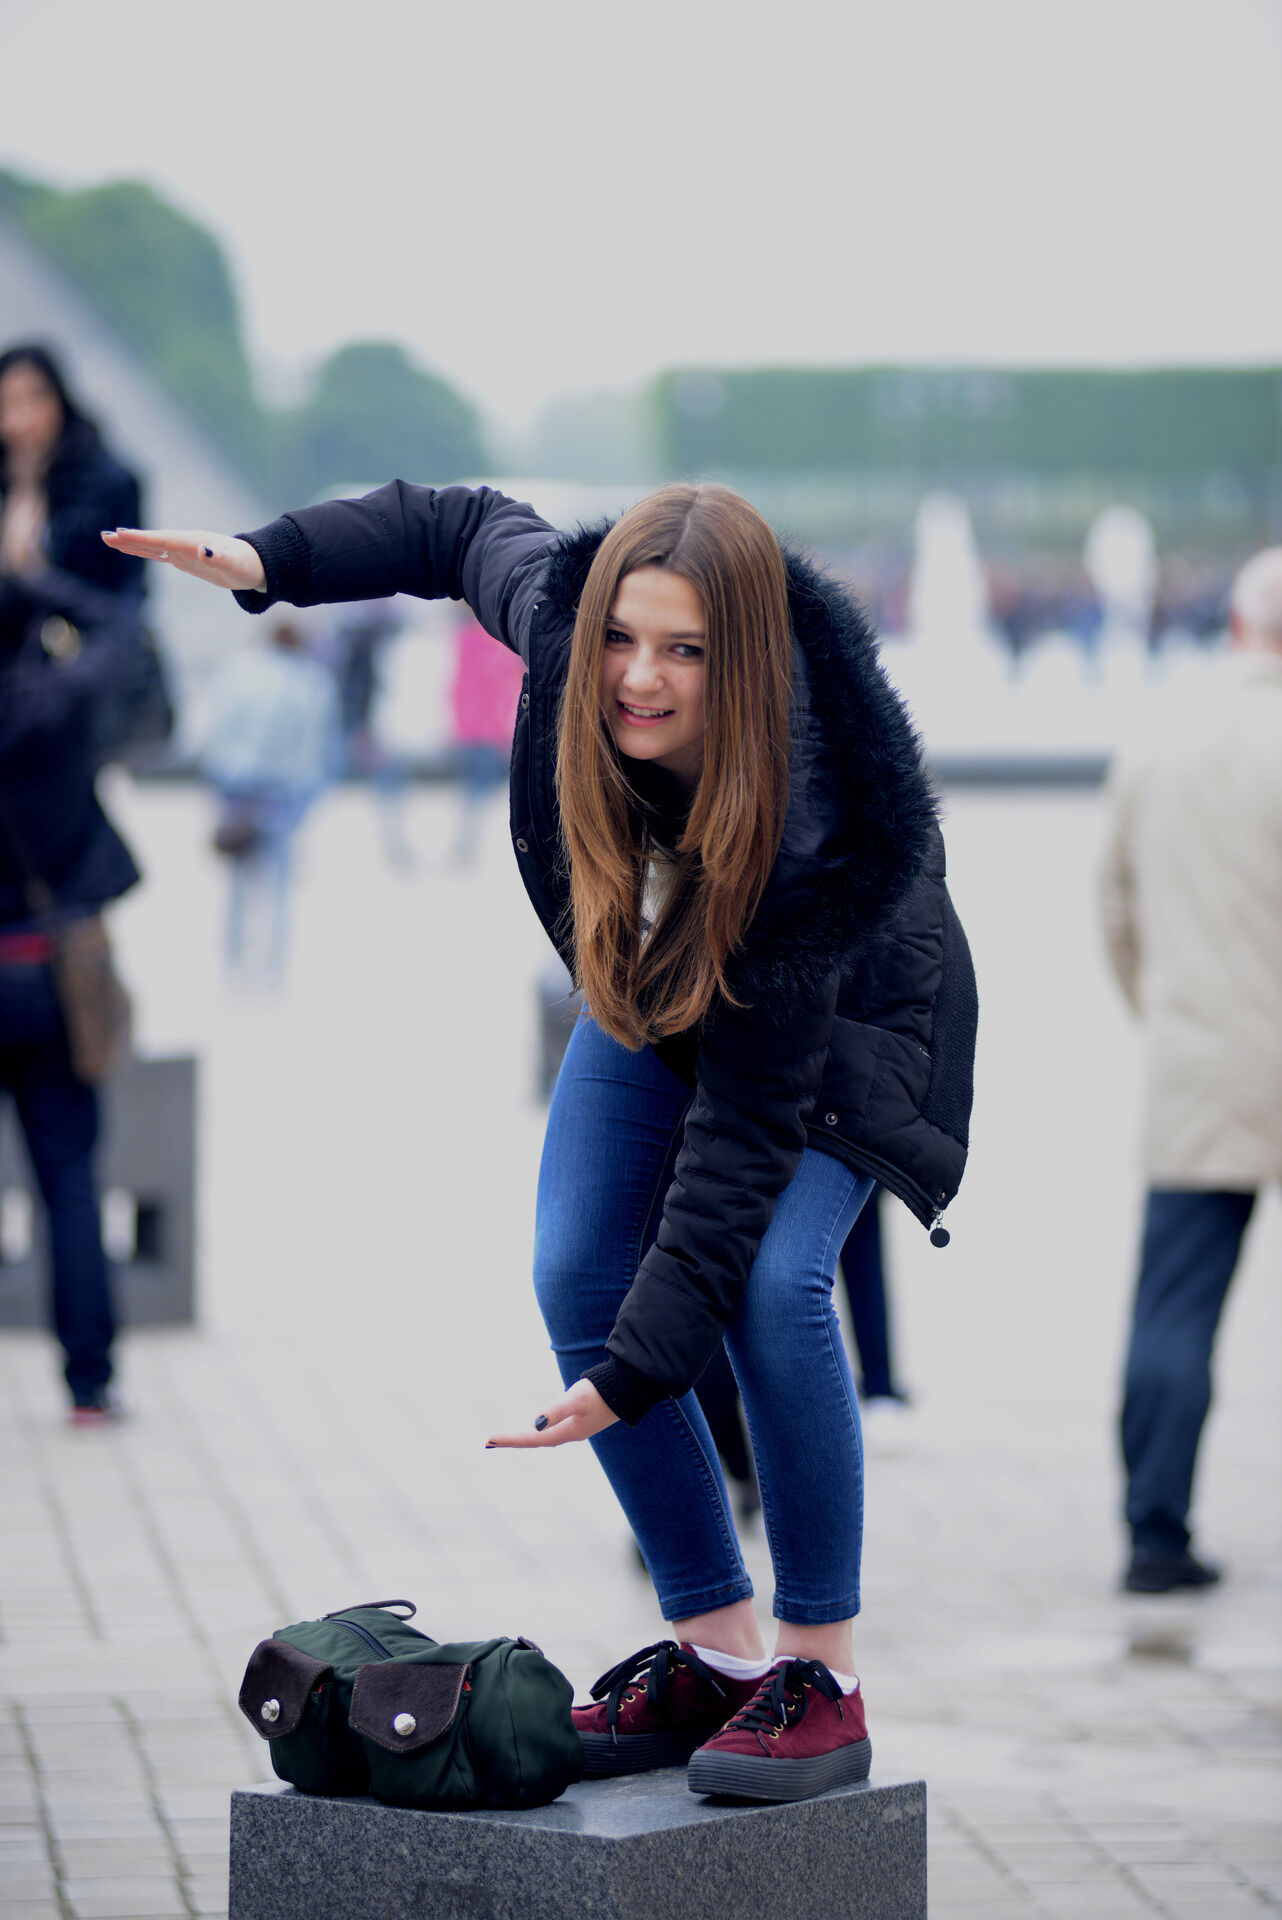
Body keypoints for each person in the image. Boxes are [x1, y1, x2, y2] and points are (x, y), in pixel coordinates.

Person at [104, 480, 977, 1804]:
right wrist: (267, 559)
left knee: (771, 1280)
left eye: (684, 652)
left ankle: (821, 1676)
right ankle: (716, 1653)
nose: (637, 678)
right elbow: (454, 529)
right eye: (623, 637)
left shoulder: (808, 816)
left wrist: (637, 1373)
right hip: (655, 971)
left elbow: (743, 1136)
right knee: (575, 1269)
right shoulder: (568, 625)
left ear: (742, 661)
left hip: (839, 1013)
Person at [1099, 547, 1282, 1594]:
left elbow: (1115, 915)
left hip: (1200, 1061)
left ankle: (1154, 1534)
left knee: (1174, 1311)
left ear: (1237, 624)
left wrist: (1167, 1014)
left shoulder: (1159, 737)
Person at [0, 570, 141, 1422]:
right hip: (52, 974)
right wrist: (35, 579)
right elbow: (120, 627)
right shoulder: (57, 703)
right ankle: (88, 1386)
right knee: (69, 1183)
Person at [203, 619, 340, 986]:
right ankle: (273, 968)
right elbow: (314, 747)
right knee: (278, 884)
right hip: (281, 791)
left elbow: (218, 731)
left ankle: (233, 964)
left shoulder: (239, 670)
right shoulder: (313, 681)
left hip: (237, 786)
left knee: (237, 882)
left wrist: (218, 786)